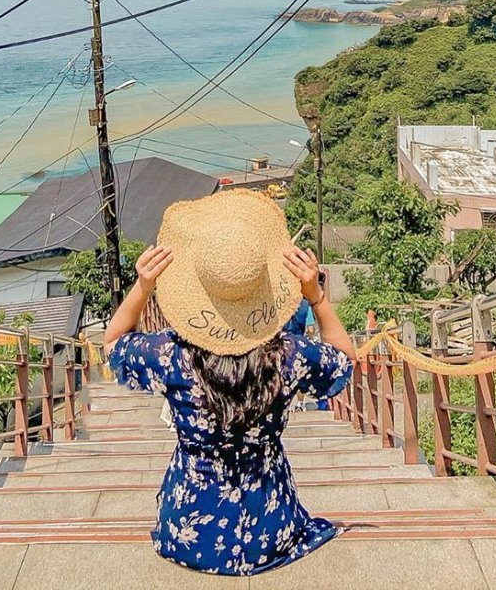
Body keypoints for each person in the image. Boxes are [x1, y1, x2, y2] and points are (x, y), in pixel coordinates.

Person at [104, 190, 356, 577]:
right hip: (272, 530)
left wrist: (143, 286)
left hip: (186, 531)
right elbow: (344, 363)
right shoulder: (288, 356)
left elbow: (113, 344)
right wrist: (317, 298)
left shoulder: (172, 355)